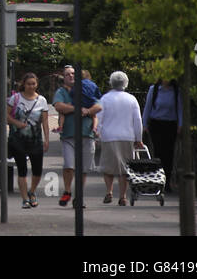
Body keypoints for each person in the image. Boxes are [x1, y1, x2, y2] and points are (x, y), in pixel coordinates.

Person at [53, 64, 101, 206]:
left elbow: (98, 106)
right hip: (69, 136)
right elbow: (58, 106)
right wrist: (77, 108)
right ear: (64, 78)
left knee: (84, 169)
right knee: (69, 165)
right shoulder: (62, 91)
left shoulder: (87, 89)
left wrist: (87, 111)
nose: (71, 76)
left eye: (73, 73)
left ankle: (78, 196)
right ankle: (68, 191)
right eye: (68, 74)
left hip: (87, 135)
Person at [98, 70, 144, 205]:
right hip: (127, 136)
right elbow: (137, 120)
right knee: (124, 168)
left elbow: (99, 118)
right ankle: (123, 196)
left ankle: (109, 192)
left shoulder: (105, 99)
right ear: (126, 83)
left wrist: (97, 134)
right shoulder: (131, 99)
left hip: (109, 136)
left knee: (108, 166)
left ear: (111, 83)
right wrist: (138, 138)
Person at [7, 72, 50, 209]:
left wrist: (46, 139)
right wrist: (16, 123)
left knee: (37, 171)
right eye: (28, 84)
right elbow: (5, 114)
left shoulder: (42, 100)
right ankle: (25, 199)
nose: (31, 86)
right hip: (18, 139)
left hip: (35, 140)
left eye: (34, 84)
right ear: (23, 85)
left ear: (37, 84)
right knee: (22, 170)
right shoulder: (16, 98)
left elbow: (45, 121)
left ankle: (32, 191)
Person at [142, 79, 181, 193]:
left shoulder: (176, 91)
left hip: (170, 124)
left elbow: (180, 109)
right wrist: (144, 124)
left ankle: (167, 183)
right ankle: (158, 182)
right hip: (156, 124)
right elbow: (148, 107)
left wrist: (181, 124)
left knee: (169, 154)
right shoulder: (153, 90)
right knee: (158, 153)